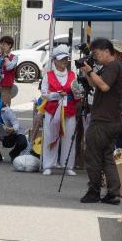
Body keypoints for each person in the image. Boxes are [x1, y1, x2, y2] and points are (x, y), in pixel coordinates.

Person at [78, 38, 122, 204]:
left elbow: (104, 86)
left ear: (106, 51)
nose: (96, 57)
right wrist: (87, 71)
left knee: (92, 155)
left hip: (103, 120)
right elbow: (94, 84)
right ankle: (113, 193)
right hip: (111, 119)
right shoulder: (112, 66)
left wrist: (91, 72)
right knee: (107, 157)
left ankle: (94, 191)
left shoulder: (113, 65)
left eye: (97, 54)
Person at [40, 46, 77, 176]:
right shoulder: (48, 75)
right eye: (61, 59)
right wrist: (56, 95)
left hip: (69, 110)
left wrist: (78, 93)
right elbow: (44, 94)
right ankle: (48, 165)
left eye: (66, 59)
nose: (64, 61)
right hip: (52, 110)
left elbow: (76, 92)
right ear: (54, 60)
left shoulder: (73, 75)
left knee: (69, 137)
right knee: (51, 136)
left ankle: (68, 166)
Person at [0, 35, 19, 106]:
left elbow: (9, 67)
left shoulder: (14, 57)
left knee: (4, 106)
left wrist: (6, 56)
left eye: (4, 44)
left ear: (9, 45)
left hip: (6, 86)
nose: (2, 46)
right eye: (1, 44)